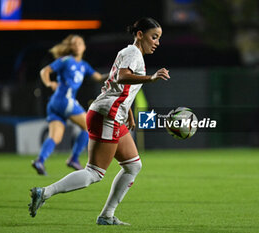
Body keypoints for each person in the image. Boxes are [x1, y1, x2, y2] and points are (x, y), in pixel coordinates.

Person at [28, 18, 170, 225]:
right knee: (94, 172)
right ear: (140, 34)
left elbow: (119, 86)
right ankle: (45, 192)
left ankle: (107, 216)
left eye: (159, 38)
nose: (157, 42)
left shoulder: (130, 52)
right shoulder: (133, 53)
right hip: (108, 115)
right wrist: (151, 78)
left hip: (111, 114)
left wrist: (128, 112)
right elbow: (122, 77)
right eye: (154, 37)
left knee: (133, 166)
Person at [32, 34, 106, 175]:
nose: (77, 45)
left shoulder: (84, 66)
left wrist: (115, 74)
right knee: (89, 126)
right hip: (64, 100)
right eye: (74, 43)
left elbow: (99, 77)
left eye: (80, 43)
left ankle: (40, 161)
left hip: (55, 104)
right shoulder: (66, 61)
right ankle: (74, 158)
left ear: (84, 47)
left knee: (55, 137)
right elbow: (45, 71)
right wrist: (49, 83)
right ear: (70, 47)